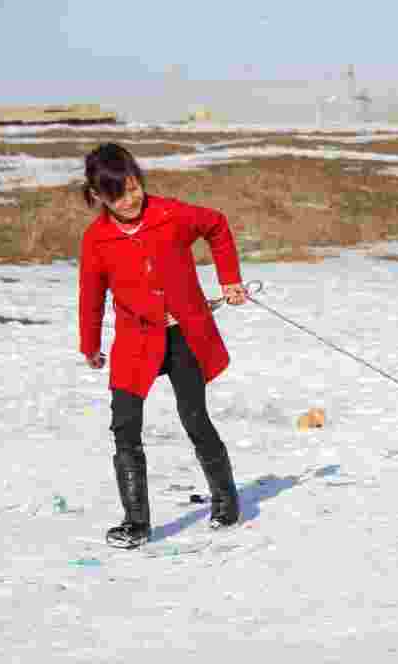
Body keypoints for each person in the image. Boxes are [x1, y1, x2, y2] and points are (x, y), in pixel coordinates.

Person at [78, 143, 247, 549]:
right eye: (118, 195)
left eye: (134, 187)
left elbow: (217, 225)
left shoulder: (171, 214)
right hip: (135, 342)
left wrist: (229, 279)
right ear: (99, 197)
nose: (130, 199)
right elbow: (91, 295)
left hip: (184, 337)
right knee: (124, 427)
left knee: (195, 418)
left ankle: (226, 501)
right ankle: (136, 522)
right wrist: (90, 344)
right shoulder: (96, 239)